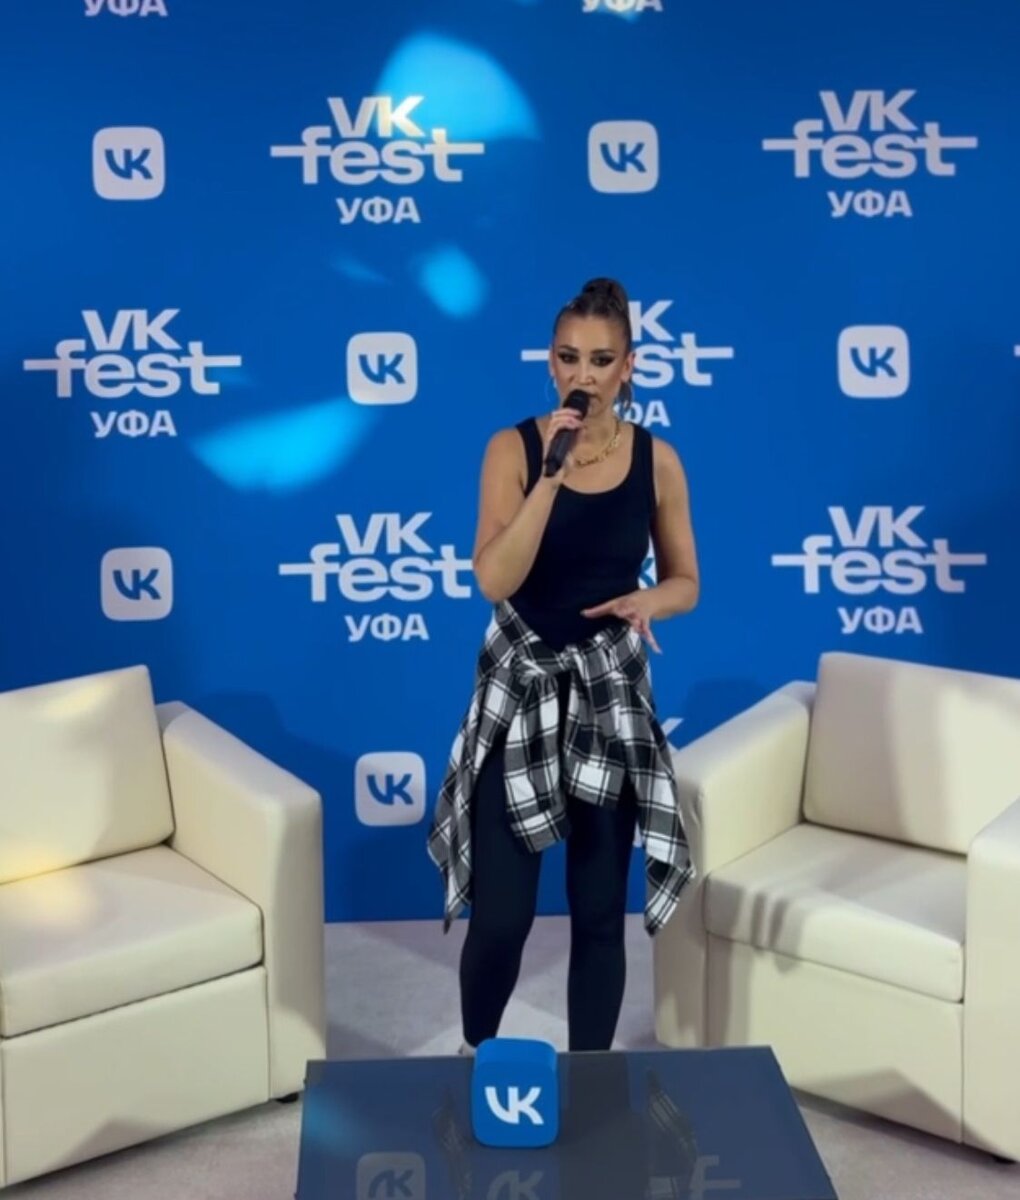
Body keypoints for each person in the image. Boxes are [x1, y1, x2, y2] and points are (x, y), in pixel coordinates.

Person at [427, 277, 699, 1055]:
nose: (584, 374)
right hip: (521, 692)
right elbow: (494, 579)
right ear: (551, 363)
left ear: (629, 367)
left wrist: (648, 601)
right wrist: (552, 474)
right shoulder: (512, 450)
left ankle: (591, 1080)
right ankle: (476, 1056)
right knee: (502, 918)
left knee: (599, 916)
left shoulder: (657, 460)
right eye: (569, 357)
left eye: (602, 359)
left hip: (608, 695)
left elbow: (686, 580)